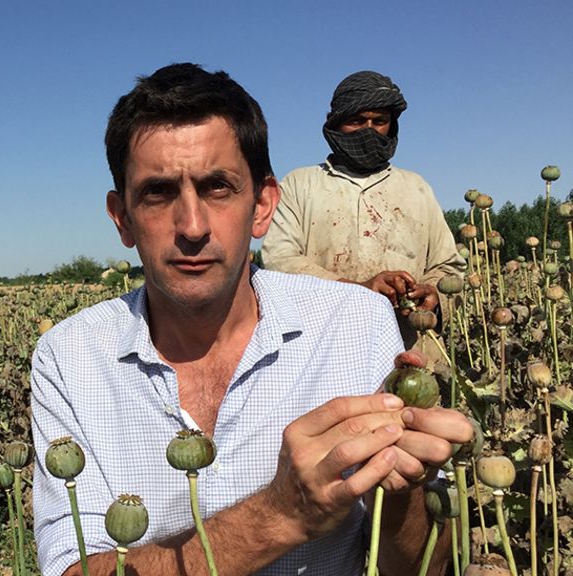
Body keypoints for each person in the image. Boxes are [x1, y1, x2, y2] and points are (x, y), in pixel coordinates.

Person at [31, 63, 472, 576]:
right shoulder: (71, 357)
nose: (192, 226)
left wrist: (400, 490)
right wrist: (281, 515)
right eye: (158, 192)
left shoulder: (359, 325)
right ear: (122, 218)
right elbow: (72, 568)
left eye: (217, 187)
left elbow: (422, 568)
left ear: (262, 206)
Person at [261, 70, 465, 350]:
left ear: (391, 126)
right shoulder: (300, 185)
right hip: (320, 348)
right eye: (357, 121)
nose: (369, 130)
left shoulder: (416, 188)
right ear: (335, 123)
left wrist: (432, 293)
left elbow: (449, 266)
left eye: (379, 121)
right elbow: (279, 263)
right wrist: (359, 290)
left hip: (404, 351)